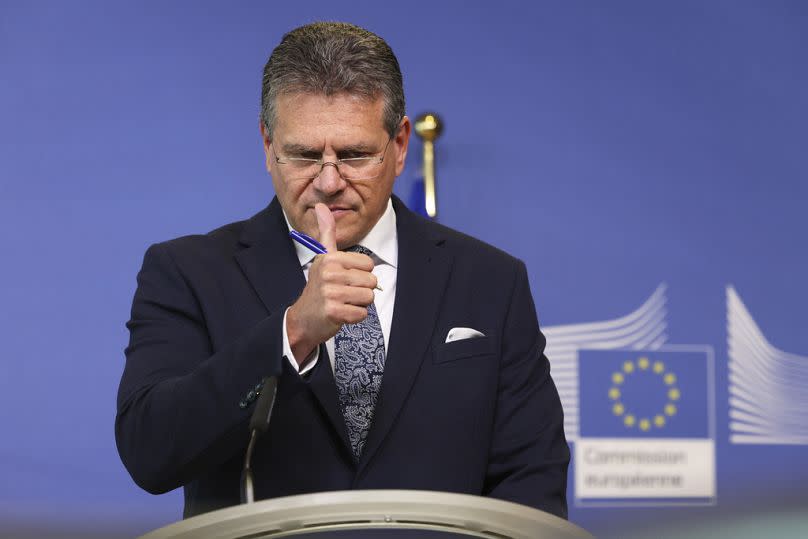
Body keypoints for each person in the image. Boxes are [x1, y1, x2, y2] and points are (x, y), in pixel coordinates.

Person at [116, 21, 569, 520]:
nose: (329, 182)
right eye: (306, 155)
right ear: (268, 146)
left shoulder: (491, 281)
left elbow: (531, 480)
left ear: (398, 146)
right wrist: (293, 331)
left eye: (353, 155)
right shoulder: (187, 272)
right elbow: (150, 451)